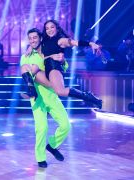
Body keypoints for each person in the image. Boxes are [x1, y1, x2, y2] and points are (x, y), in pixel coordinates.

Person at [23, 20, 103, 109]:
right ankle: (31, 91)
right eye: (47, 28)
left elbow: (74, 42)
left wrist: (90, 43)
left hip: (54, 68)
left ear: (57, 28)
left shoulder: (60, 40)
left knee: (60, 91)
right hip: (46, 70)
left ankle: (89, 97)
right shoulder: (45, 41)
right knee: (27, 69)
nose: (50, 30)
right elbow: (36, 41)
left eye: (52, 27)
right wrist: (30, 47)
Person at [20, 28, 70, 168]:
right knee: (42, 128)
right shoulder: (26, 56)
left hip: (51, 94)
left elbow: (63, 67)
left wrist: (62, 60)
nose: (32, 40)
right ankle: (40, 157)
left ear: (40, 38)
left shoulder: (49, 50)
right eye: (30, 38)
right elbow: (25, 72)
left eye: (35, 37)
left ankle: (53, 146)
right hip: (37, 97)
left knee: (66, 125)